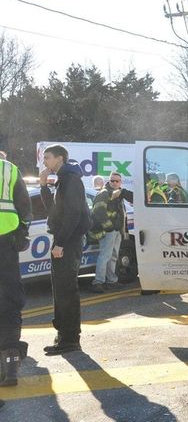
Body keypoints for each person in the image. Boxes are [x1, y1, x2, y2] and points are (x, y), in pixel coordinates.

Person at [39, 144, 91, 356]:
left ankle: (70, 340)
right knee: (60, 290)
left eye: (48, 157)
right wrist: (43, 186)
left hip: (68, 242)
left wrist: (60, 243)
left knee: (67, 290)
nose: (45, 161)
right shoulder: (63, 179)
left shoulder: (71, 179)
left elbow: (73, 214)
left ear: (59, 158)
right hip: (63, 240)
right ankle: (63, 336)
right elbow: (53, 212)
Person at [0, 155, 31, 387]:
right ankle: (11, 362)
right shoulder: (9, 169)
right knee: (10, 299)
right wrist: (22, 233)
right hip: (7, 239)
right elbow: (25, 206)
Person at [88, 171, 133, 293]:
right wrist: (109, 227)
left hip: (117, 230)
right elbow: (98, 212)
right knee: (105, 256)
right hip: (108, 231)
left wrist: (120, 230)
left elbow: (131, 199)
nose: (114, 183)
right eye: (112, 180)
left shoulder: (118, 193)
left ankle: (111, 281)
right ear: (109, 181)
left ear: (120, 182)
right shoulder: (104, 193)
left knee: (113, 256)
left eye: (117, 181)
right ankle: (98, 282)